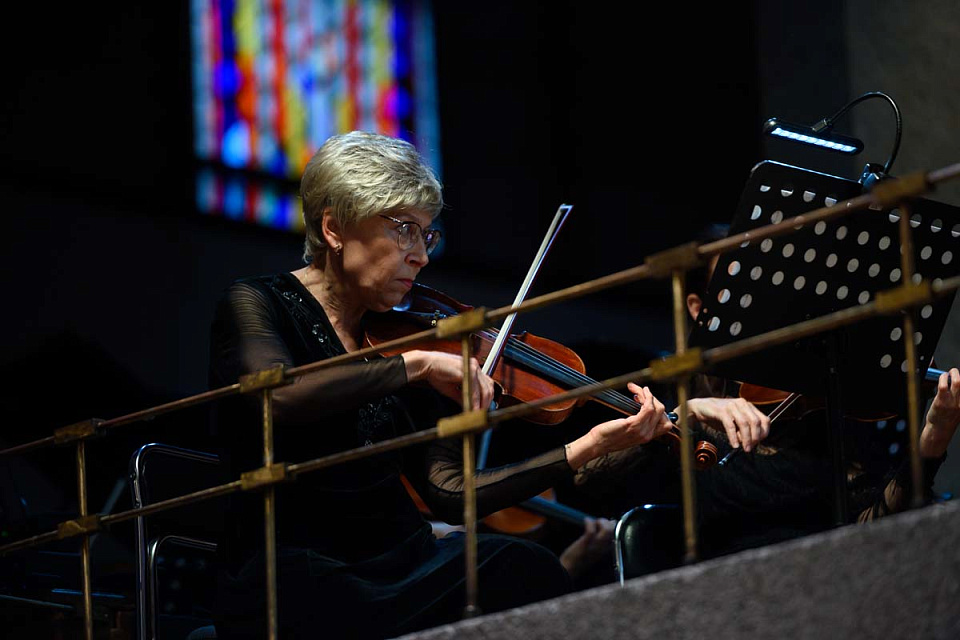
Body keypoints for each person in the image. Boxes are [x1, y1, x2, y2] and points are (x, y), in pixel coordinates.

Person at [208, 131, 715, 639]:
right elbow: (276, 396)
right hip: (294, 566)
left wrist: (587, 446)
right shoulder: (257, 304)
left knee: (523, 565)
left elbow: (449, 492)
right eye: (404, 229)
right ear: (335, 227)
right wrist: (417, 366)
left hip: (399, 563)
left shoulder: (405, 338)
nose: (421, 256)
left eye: (426, 235)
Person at [572, 223, 960, 568]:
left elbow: (871, 527)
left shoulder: (820, 398)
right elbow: (589, 477)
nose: (758, 300)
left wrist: (933, 440)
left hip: (826, 580)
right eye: (740, 286)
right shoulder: (675, 392)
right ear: (698, 307)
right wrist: (683, 414)